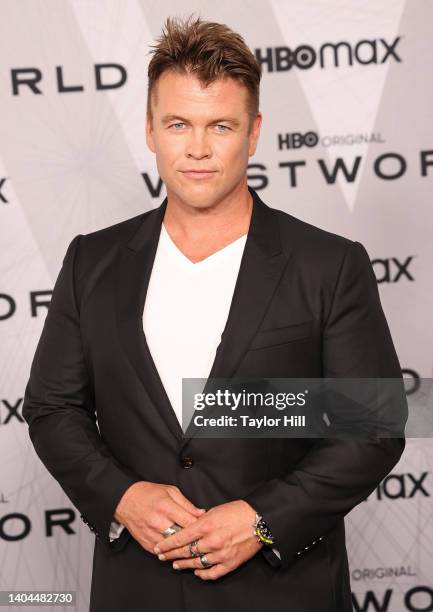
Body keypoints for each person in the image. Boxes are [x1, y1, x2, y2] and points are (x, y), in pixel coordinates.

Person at [22, 14, 406, 612]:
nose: (198, 149)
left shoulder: (329, 265)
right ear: (150, 130)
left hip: (283, 593)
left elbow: (373, 428)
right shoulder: (91, 261)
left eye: (220, 126)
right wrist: (122, 497)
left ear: (253, 133)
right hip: (137, 591)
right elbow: (52, 408)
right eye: (178, 124)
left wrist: (262, 519)